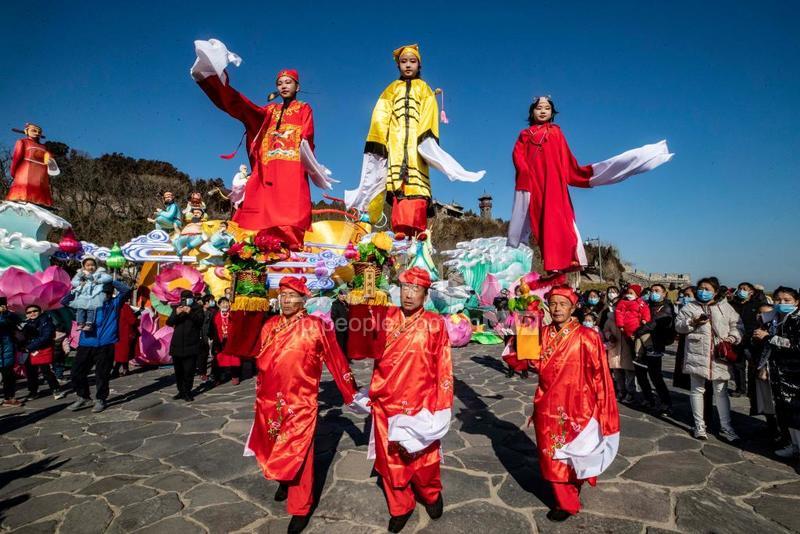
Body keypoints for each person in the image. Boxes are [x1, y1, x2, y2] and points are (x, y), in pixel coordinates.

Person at [191, 39, 336, 251]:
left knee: (292, 208)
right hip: (269, 168)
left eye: (288, 82)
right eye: (280, 83)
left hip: (292, 167)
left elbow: (307, 135)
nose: (284, 86)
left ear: (297, 86)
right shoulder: (269, 111)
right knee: (263, 206)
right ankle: (209, 76)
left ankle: (292, 247)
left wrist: (309, 161)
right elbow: (245, 109)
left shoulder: (304, 108)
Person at [244, 276, 360, 534]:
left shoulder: (314, 326)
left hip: (301, 404)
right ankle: (284, 481)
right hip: (269, 403)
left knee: (300, 456)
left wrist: (351, 394)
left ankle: (301, 507)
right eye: (282, 294)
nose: (286, 300)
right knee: (272, 448)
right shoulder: (270, 326)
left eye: (292, 295)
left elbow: (336, 360)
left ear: (303, 299)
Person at [506, 96, 672, 273]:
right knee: (538, 221)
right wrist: (524, 171)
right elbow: (518, 154)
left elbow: (566, 158)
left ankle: (566, 259)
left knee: (557, 219)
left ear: (552, 113)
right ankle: (542, 259)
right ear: (532, 111)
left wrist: (574, 173)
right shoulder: (525, 134)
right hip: (533, 182)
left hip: (553, 183)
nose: (543, 111)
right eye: (539, 107)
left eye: (547, 108)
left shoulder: (556, 132)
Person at [345, 44, 484, 238]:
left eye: (412, 61)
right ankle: (400, 228)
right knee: (398, 186)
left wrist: (426, 142)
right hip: (395, 144)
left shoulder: (424, 89)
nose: (408, 65)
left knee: (416, 186)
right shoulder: (391, 90)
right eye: (404, 62)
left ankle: (418, 228)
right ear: (398, 66)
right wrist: (379, 142)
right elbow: (380, 116)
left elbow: (429, 114)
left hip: (415, 146)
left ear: (419, 65)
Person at [360, 267, 452, 533]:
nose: (409, 295)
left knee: (425, 459)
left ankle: (431, 493)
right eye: (405, 288)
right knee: (392, 463)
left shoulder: (435, 324)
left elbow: (443, 366)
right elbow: (362, 332)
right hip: (386, 403)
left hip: (421, 403)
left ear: (425, 294)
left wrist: (443, 404)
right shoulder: (383, 317)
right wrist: (366, 276)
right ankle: (400, 506)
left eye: (416, 290)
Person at [532, 286, 619, 521]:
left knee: (576, 454)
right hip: (547, 405)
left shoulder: (587, 336)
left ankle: (572, 489)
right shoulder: (541, 332)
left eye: (562, 304)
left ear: (573, 307)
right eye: (552, 303)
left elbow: (600, 375)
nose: (557, 308)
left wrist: (603, 407)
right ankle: (566, 502)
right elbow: (524, 358)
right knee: (553, 456)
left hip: (578, 406)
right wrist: (525, 323)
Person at [675, 277, 743, 442]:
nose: (703, 291)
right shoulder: (690, 306)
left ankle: (726, 427)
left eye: (707, 289)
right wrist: (693, 321)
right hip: (696, 353)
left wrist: (733, 338)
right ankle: (700, 425)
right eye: (700, 288)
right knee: (697, 391)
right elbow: (679, 326)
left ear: (715, 291)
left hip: (719, 355)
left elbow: (738, 325)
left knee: (721, 393)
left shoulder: (726, 307)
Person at [68, 280, 132, 413]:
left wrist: (109, 280)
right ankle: (83, 396)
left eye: (107, 293)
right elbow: (64, 301)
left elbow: (126, 290)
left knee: (101, 374)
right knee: (76, 372)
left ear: (111, 294)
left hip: (105, 344)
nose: (104, 295)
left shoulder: (114, 304)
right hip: (86, 344)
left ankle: (100, 399)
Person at [754, 287, 800, 459]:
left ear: (796, 302)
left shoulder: (796, 320)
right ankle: (792, 444)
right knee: (785, 411)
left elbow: (796, 345)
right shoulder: (773, 319)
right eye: (778, 300)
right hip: (778, 372)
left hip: (794, 373)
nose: (782, 303)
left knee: (796, 411)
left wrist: (768, 338)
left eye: (787, 300)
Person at [633, 284, 675, 415]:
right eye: (652, 290)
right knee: (640, 374)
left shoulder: (666, 307)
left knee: (655, 376)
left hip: (655, 345)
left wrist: (639, 330)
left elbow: (653, 323)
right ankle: (648, 398)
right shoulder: (646, 305)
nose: (653, 293)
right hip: (641, 344)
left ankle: (666, 403)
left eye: (657, 291)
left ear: (664, 293)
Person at [614, 284, 652, 404]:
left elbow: (645, 311)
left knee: (639, 344)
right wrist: (620, 325)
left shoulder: (641, 303)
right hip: (626, 329)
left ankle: (641, 353)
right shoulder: (622, 303)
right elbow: (618, 313)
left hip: (637, 328)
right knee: (630, 347)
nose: (629, 295)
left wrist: (646, 319)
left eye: (632, 293)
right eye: (628, 292)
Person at [19, 305, 65, 401]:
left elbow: (46, 337)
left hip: (41, 349)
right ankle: (33, 391)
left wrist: (29, 347)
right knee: (31, 372)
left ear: (40, 311)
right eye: (29, 312)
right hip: (29, 350)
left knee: (46, 371)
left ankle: (56, 389)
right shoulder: (25, 324)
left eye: (34, 311)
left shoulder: (46, 322)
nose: (32, 313)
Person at [6, 122, 58, 206]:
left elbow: (48, 159)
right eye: (34, 130)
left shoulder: (44, 147)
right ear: (27, 131)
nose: (37, 133)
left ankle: (42, 202)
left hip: (41, 173)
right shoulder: (22, 142)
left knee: (40, 193)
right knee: (24, 192)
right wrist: (13, 171)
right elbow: (16, 158)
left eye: (39, 132)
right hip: (25, 171)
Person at [751, 302, 781, 444]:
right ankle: (771, 427)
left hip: (775, 368)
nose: (762, 316)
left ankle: (780, 431)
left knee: (776, 401)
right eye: (760, 313)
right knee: (765, 399)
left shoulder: (778, 327)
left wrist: (767, 337)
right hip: (759, 365)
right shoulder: (757, 326)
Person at [166, 290, 205, 401]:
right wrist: (176, 313)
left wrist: (190, 312)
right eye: (183, 298)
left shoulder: (197, 308)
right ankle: (180, 391)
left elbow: (200, 322)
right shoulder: (177, 308)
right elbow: (169, 323)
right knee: (178, 372)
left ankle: (187, 392)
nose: (185, 300)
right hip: (177, 345)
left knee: (189, 371)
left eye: (187, 298)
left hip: (191, 345)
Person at [731, 282, 768, 398]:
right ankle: (740, 388)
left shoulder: (757, 304)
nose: (741, 290)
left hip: (752, 339)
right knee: (738, 365)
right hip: (737, 338)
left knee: (753, 365)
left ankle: (754, 390)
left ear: (751, 292)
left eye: (744, 289)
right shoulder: (733, 304)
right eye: (740, 288)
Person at [603, 291, 636, 402]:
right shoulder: (610, 318)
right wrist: (610, 335)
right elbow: (606, 330)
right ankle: (620, 391)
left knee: (629, 373)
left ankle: (630, 392)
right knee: (617, 373)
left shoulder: (631, 317)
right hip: (615, 349)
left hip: (627, 348)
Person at [69, 256, 113, 331]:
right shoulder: (81, 273)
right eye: (88, 265)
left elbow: (109, 278)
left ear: (96, 265)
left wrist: (99, 281)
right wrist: (79, 283)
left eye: (92, 265)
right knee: (80, 308)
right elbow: (73, 282)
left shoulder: (99, 273)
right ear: (84, 266)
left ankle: (89, 324)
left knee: (91, 308)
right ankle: (80, 323)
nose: (90, 267)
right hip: (83, 294)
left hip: (94, 294)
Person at [210, 297, 241, 385]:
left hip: (232, 341)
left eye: (226, 303)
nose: (225, 305)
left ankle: (235, 376)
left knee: (234, 359)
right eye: (222, 303)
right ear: (218, 305)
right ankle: (218, 378)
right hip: (220, 341)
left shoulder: (233, 313)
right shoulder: (214, 315)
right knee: (219, 359)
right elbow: (211, 328)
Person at [0, 297, 21, 407]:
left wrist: (6, 313)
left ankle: (9, 397)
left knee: (9, 375)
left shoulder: (8, 315)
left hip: (6, 350)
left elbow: (17, 320)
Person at [112, 302, 139, 378]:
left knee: (123, 353)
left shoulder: (115, 305)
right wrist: (138, 319)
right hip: (125, 333)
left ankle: (125, 369)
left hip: (116, 332)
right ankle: (116, 370)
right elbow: (132, 321)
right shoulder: (125, 306)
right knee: (123, 353)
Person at [330, 286, 349, 357]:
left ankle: (346, 358)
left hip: (347, 327)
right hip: (340, 327)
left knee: (346, 343)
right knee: (340, 343)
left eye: (344, 296)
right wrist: (341, 322)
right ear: (338, 295)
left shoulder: (346, 304)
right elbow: (333, 316)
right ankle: (340, 358)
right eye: (342, 296)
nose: (343, 297)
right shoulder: (335, 304)